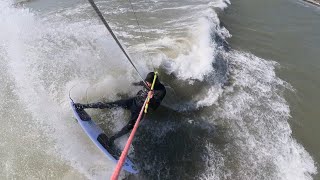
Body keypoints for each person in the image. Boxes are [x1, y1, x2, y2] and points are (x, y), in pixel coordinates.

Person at [74, 72, 166, 146]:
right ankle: (83, 106)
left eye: (148, 83)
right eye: (146, 82)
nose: (147, 84)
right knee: (110, 104)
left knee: (129, 126)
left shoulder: (161, 91)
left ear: (155, 82)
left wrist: (151, 98)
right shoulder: (147, 83)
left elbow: (155, 107)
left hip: (140, 110)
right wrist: (125, 84)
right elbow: (136, 83)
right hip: (133, 102)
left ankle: (112, 139)